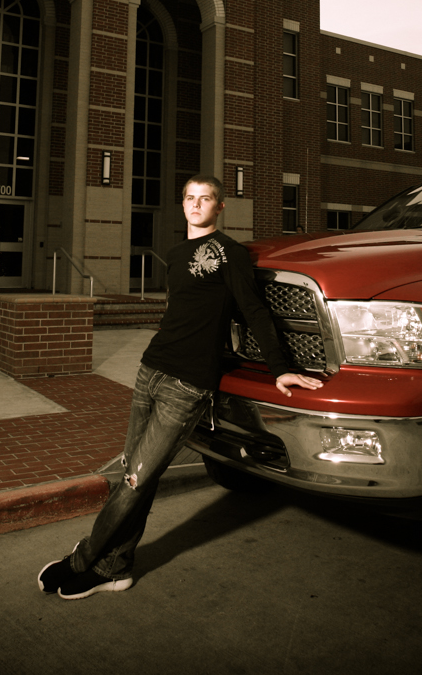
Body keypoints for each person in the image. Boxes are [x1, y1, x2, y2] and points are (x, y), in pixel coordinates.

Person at [37, 174, 323, 600]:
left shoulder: (230, 253)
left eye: (205, 199)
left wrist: (280, 367)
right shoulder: (175, 253)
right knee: (136, 475)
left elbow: (254, 310)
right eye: (189, 197)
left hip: (187, 386)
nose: (195, 204)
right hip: (150, 370)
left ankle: (83, 560)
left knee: (135, 479)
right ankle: (116, 567)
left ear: (219, 207)